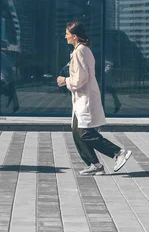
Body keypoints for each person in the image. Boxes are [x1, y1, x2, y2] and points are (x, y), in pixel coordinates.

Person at [57, 21, 132, 176]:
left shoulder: (80, 51)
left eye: (67, 34)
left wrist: (65, 80)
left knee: (85, 133)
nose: (65, 36)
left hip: (85, 99)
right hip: (81, 99)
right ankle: (95, 164)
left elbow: (81, 79)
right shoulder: (82, 50)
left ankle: (118, 152)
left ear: (75, 36)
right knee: (77, 133)